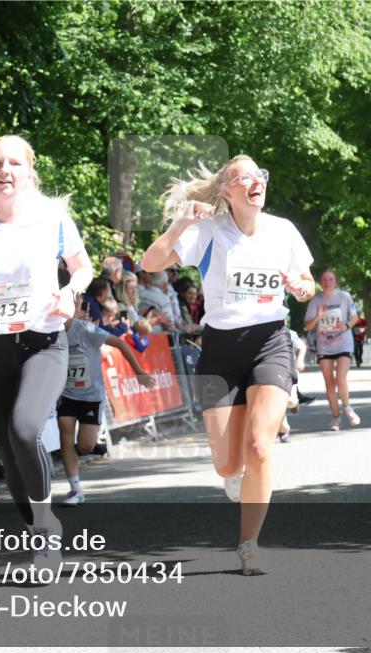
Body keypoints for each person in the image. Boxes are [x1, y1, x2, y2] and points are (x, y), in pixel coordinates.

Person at [142, 154, 315, 575]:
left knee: (259, 445)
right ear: (227, 191)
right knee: (226, 464)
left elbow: (308, 285)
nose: (256, 182)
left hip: (270, 341)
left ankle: (249, 543)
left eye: (261, 175)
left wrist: (300, 287)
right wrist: (182, 222)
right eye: (244, 178)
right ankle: (236, 477)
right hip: (219, 348)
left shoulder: (283, 231)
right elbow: (150, 263)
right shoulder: (208, 232)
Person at [0, 134, 94, 568]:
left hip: (43, 342)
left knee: (25, 429)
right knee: (7, 451)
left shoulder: (53, 218)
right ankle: (39, 528)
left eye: (13, 163)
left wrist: (70, 293)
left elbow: (81, 267)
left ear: (29, 169)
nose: (4, 171)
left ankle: (46, 532)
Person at [58, 298, 153, 506]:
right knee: (65, 432)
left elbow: (119, 342)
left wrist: (139, 372)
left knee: (84, 446)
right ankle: (75, 490)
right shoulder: (50, 333)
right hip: (66, 393)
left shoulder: (86, 329)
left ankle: (86, 448)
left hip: (91, 395)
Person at [305, 269, 360, 431]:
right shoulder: (315, 301)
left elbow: (355, 317)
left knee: (340, 379)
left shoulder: (344, 296)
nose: (327, 282)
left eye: (330, 279)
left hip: (343, 342)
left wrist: (346, 326)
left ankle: (347, 408)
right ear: (320, 283)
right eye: (324, 279)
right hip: (325, 345)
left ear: (335, 282)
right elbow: (308, 326)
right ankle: (336, 418)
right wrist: (318, 316)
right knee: (329, 385)